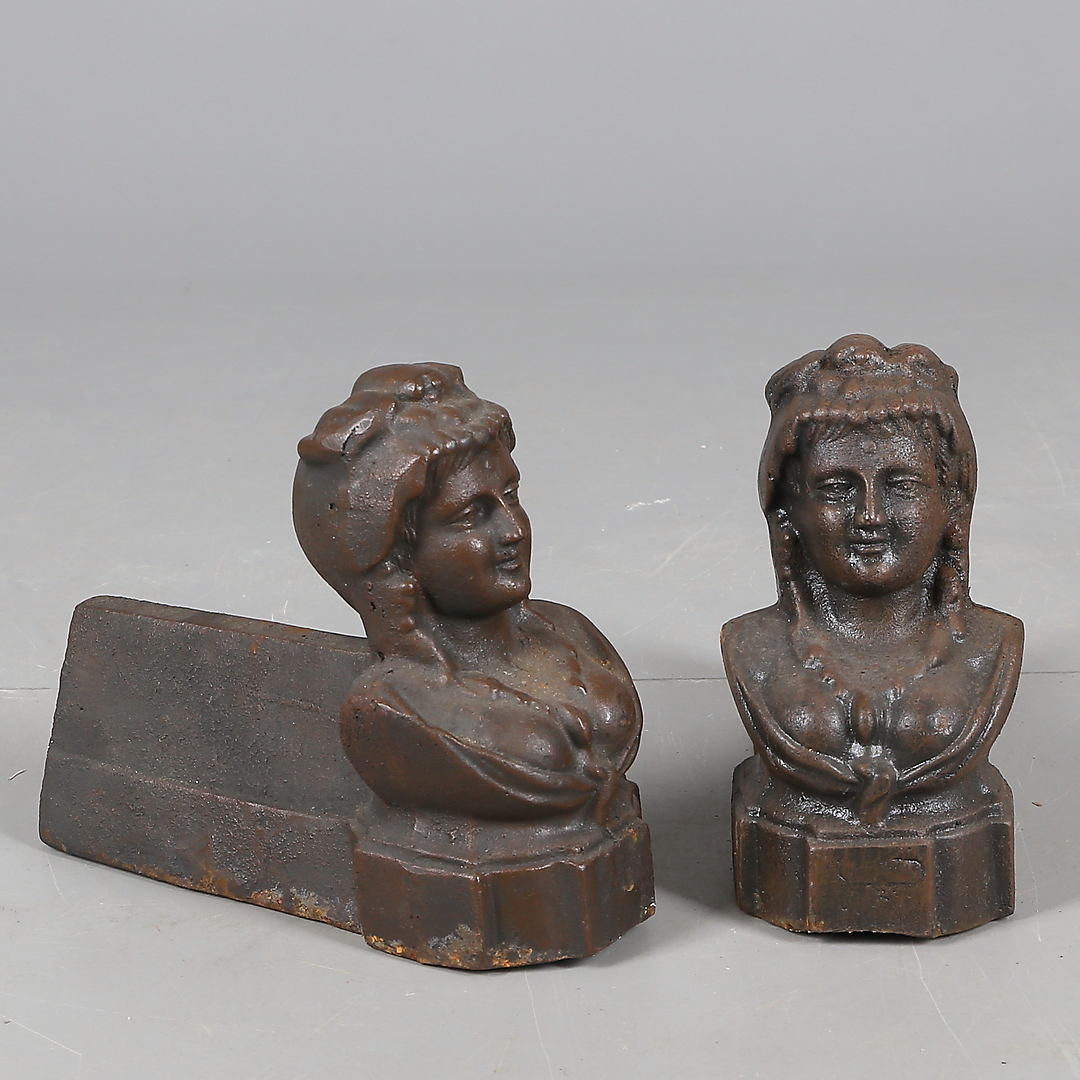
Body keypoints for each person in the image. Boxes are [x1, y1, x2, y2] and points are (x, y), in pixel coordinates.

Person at [293, 363, 644, 825]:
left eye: (511, 495)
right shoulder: (394, 710)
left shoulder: (570, 629)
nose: (514, 530)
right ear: (398, 558)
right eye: (470, 516)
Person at [722, 335, 1023, 831]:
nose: (870, 516)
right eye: (837, 488)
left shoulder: (993, 642)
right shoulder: (751, 645)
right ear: (787, 513)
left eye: (902, 486)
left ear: (952, 506)